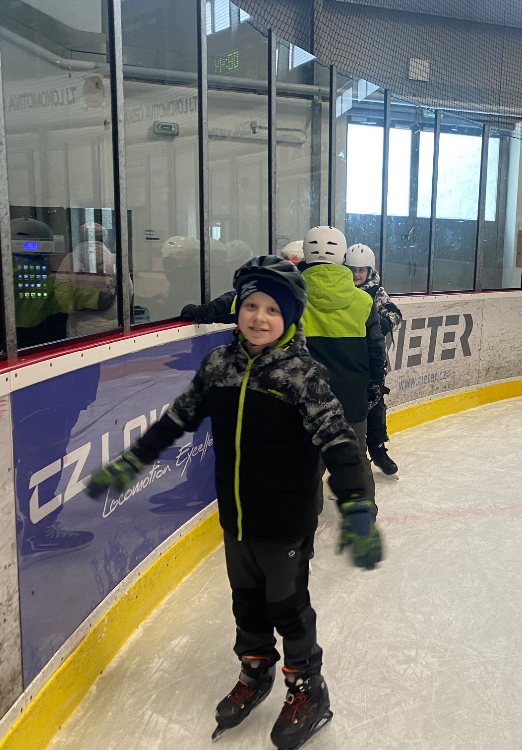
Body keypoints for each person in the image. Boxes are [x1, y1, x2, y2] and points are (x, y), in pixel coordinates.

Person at [85, 256, 382, 748]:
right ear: (238, 309)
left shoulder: (303, 375)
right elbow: (178, 417)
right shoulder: (219, 366)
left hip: (285, 519)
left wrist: (355, 503)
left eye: (272, 309)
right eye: (251, 305)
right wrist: (135, 459)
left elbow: (338, 442)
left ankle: (308, 687)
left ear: (290, 316)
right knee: (246, 601)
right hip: (237, 516)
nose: (259, 317)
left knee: (288, 606)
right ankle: (255, 667)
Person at [297, 226, 385, 504]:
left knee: (307, 464)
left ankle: (305, 525)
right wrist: (375, 386)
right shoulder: (364, 300)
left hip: (308, 399)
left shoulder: (293, 297)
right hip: (352, 397)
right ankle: (363, 517)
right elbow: (376, 350)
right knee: (355, 459)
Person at [344, 243, 402, 476]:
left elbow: (394, 313)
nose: (356, 275)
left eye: (361, 270)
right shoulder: (339, 291)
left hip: (371, 361)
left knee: (376, 407)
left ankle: (377, 449)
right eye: (352, 269)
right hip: (345, 358)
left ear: (370, 271)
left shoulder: (375, 291)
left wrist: (383, 324)